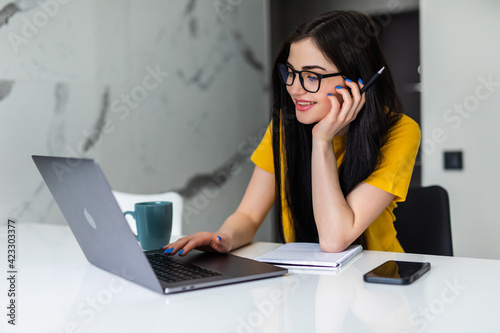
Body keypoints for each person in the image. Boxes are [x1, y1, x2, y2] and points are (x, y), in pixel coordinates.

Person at [163, 10, 420, 256]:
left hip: (377, 283)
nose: (295, 89)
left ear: (357, 82)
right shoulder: (284, 128)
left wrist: (322, 140)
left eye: (311, 77)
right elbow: (248, 216)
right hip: (304, 283)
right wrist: (222, 239)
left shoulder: (399, 131)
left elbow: (334, 239)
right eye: (291, 73)